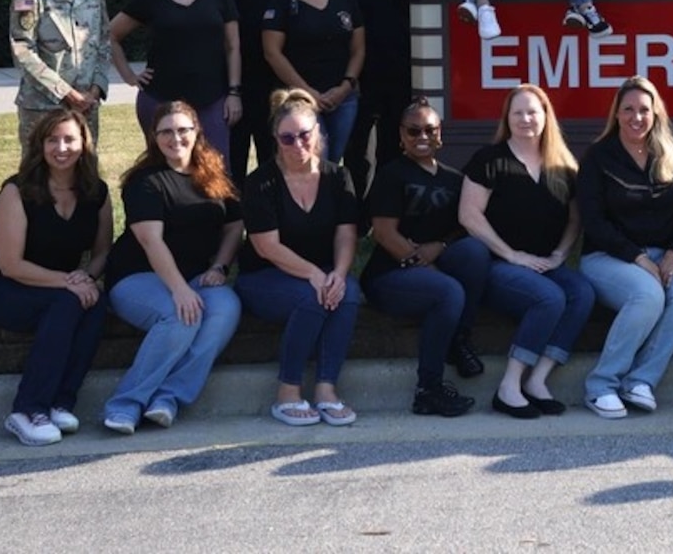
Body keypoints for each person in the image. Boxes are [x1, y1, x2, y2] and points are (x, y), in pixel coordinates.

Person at [0, 108, 113, 446]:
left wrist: (87, 278)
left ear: (84, 145)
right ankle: (27, 410)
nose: (61, 148)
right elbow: (10, 265)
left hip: (57, 286)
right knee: (67, 303)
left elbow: (103, 251)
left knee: (95, 303)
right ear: (40, 145)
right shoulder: (17, 191)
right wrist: (70, 282)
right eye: (52, 140)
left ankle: (62, 402)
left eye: (69, 139)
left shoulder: (97, 193)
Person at [103, 101, 244, 434]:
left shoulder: (215, 175)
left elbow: (234, 227)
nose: (175, 138)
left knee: (226, 307)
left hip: (197, 276)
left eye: (183, 130)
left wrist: (220, 267)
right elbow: (152, 241)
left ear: (197, 132)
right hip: (137, 277)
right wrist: (180, 290)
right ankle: (126, 404)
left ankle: (169, 396)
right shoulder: (145, 181)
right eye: (166, 131)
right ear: (154, 137)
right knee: (180, 316)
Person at [458, 84, 595, 418]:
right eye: (517, 112)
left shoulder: (562, 165)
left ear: (546, 117)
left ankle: (538, 380)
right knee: (549, 298)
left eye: (533, 111)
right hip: (498, 265)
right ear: (507, 117)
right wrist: (511, 254)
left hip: (544, 263)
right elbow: (469, 215)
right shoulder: (489, 159)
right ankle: (509, 386)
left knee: (582, 293)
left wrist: (561, 254)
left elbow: (575, 218)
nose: (525, 119)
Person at [575, 77, 673, 419]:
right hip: (608, 256)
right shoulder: (598, 157)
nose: (637, 117)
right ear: (616, 114)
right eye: (628, 109)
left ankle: (641, 380)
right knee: (648, 294)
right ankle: (600, 385)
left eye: (644, 110)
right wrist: (639, 258)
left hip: (666, 253)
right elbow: (594, 221)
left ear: (656, 113)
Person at [235, 89, 363, 427]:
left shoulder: (339, 177)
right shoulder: (260, 182)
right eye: (287, 138)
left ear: (319, 131)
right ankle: (287, 393)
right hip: (263, 276)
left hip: (319, 271)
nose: (298, 145)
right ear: (276, 140)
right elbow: (266, 246)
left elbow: (346, 233)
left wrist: (337, 272)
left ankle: (326, 390)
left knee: (347, 293)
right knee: (313, 300)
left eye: (305, 135)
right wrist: (314, 275)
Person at [361, 98, 488, 418]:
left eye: (429, 129)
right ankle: (427, 390)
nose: (422, 136)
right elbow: (384, 233)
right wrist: (429, 266)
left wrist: (441, 246)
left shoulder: (454, 179)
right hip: (389, 276)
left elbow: (463, 228)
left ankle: (459, 340)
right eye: (413, 130)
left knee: (474, 252)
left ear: (439, 134)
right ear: (401, 136)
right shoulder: (391, 175)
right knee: (448, 291)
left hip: (432, 267)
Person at [109, 0, 241, 158]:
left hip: (212, 100)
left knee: (217, 173)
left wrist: (234, 93)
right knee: (163, 172)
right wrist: (128, 75)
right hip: (159, 100)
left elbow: (233, 47)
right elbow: (110, 35)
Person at [205, 0, 295, 180]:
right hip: (228, 83)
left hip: (278, 83)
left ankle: (270, 222)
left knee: (277, 162)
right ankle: (233, 222)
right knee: (230, 164)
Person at [262, 0, 365, 162]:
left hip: (343, 99)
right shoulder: (283, 2)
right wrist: (307, 92)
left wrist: (345, 87)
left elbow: (358, 49)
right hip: (298, 100)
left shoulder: (346, 2)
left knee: (332, 162)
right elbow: (272, 52)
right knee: (311, 159)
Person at [9, 0, 110, 146]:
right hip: (43, 107)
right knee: (39, 175)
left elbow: (104, 44)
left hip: (87, 105)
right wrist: (66, 93)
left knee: (85, 172)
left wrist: (96, 89)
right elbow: (22, 51)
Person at [334, 0, 409, 196]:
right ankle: (359, 216)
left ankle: (386, 211)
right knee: (359, 150)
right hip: (360, 73)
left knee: (393, 146)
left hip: (403, 71)